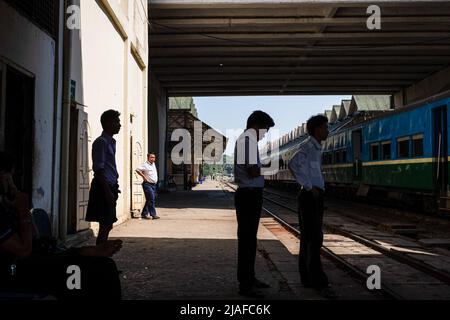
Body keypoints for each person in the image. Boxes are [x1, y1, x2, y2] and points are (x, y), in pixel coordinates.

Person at [0, 151, 123, 300]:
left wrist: (82, 251)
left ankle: (83, 253)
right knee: (89, 275)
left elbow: (33, 240)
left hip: (34, 264)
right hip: (16, 274)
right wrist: (23, 212)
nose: (12, 183)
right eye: (9, 177)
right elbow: (24, 251)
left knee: (104, 266)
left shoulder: (6, 207)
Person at [288, 115, 337, 299]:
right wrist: (309, 186)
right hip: (310, 197)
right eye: (325, 127)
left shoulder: (315, 147)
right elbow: (293, 164)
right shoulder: (308, 146)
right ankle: (318, 281)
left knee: (309, 239)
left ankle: (307, 278)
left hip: (313, 195)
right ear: (317, 129)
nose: (327, 130)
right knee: (314, 239)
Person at [234, 110, 275, 298]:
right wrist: (269, 168)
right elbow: (252, 172)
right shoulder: (247, 142)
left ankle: (249, 278)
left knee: (249, 240)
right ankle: (246, 283)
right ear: (257, 126)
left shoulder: (246, 141)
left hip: (249, 194)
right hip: (249, 195)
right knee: (247, 241)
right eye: (265, 130)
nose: (265, 134)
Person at [86, 110, 121, 245]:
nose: (119, 125)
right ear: (107, 123)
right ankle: (99, 255)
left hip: (109, 186)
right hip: (103, 187)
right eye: (116, 122)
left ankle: (100, 253)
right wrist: (107, 192)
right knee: (105, 224)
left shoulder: (111, 142)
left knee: (108, 224)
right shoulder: (101, 142)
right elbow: (99, 170)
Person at [135, 153, 160, 220]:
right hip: (147, 184)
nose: (153, 159)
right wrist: (143, 176)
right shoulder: (145, 165)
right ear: (148, 158)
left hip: (153, 185)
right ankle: (153, 214)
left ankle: (144, 213)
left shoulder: (153, 164)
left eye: (154, 157)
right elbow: (137, 169)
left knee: (150, 199)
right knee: (151, 199)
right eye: (151, 157)